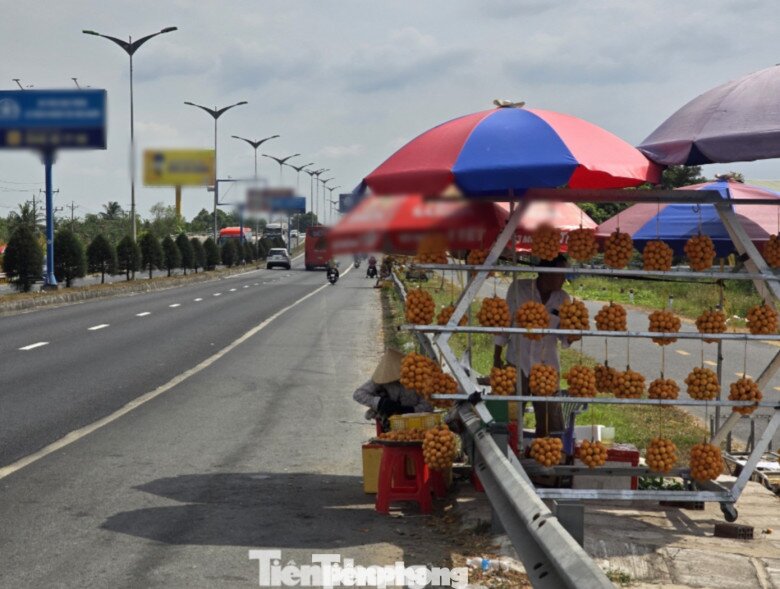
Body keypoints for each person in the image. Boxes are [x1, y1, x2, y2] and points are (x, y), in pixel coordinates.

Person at [492, 254, 575, 437]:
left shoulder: (563, 299)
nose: (563, 280)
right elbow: (505, 323)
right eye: (560, 274)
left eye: (565, 275)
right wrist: (496, 357)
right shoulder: (518, 289)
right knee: (510, 416)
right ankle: (510, 450)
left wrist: (574, 335)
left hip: (547, 367)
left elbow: (565, 336)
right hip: (517, 362)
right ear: (545, 272)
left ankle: (548, 453)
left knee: (549, 421)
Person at [353, 349, 433, 429]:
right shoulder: (382, 378)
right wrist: (380, 402)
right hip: (387, 424)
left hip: (416, 425)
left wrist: (407, 409)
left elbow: (427, 407)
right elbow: (359, 394)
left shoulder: (418, 379)